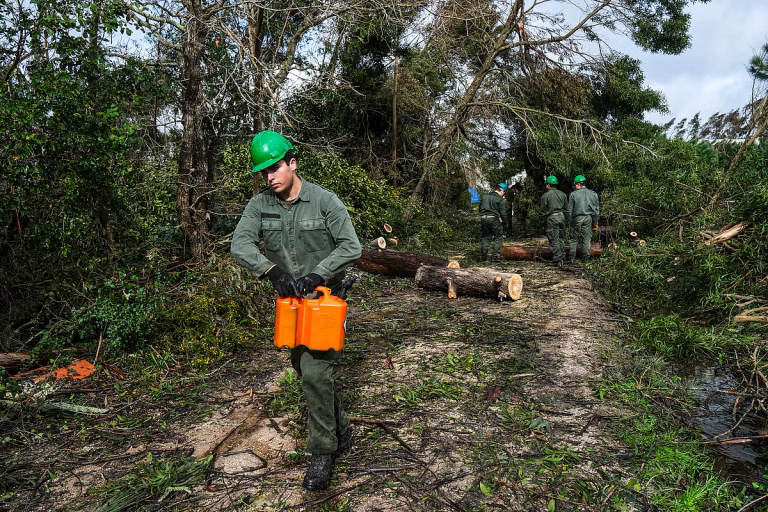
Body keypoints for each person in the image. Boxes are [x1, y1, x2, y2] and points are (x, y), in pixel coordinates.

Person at [231, 130, 362, 491]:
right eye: (264, 172)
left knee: (315, 373)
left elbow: (351, 246)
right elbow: (240, 243)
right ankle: (343, 430)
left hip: (324, 302)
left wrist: (320, 273)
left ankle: (323, 451)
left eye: (274, 168)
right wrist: (272, 271)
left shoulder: (324, 201)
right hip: (290, 306)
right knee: (303, 368)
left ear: (292, 163)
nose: (269, 177)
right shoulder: (260, 205)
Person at [566, 175, 599, 262]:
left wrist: (568, 221)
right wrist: (595, 223)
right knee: (587, 239)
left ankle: (572, 258)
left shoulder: (573, 194)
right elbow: (596, 211)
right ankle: (586, 258)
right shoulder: (593, 194)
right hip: (588, 218)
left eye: (575, 185)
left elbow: (569, 210)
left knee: (573, 239)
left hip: (577, 218)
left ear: (578, 184)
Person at [539, 175, 567, 266]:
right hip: (562, 217)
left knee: (554, 239)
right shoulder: (563, 194)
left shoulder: (545, 196)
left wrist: (541, 221)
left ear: (548, 185)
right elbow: (566, 208)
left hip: (552, 218)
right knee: (561, 238)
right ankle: (563, 257)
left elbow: (542, 210)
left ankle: (557, 259)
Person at [479, 183, 508, 263]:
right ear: (502, 191)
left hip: (483, 218)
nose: (503, 194)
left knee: (485, 236)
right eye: (504, 193)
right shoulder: (500, 199)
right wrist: (505, 222)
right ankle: (495, 257)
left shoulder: (485, 197)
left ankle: (483, 255)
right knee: (498, 237)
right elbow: (503, 213)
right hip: (493, 219)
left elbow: (480, 208)